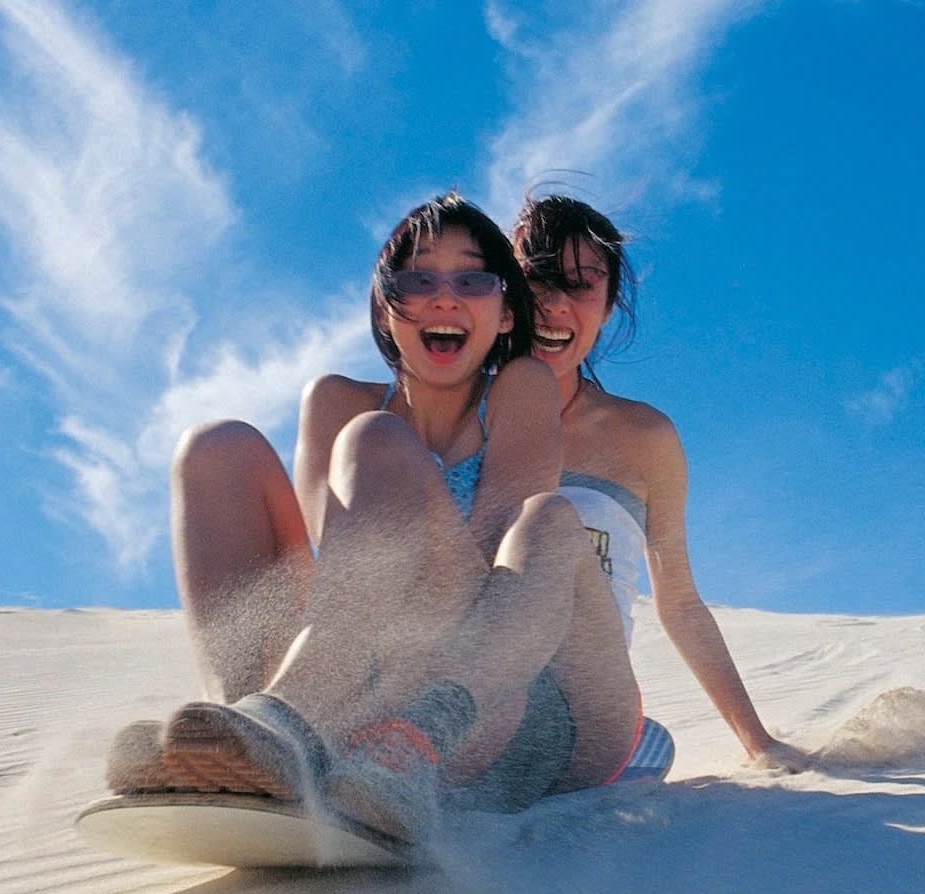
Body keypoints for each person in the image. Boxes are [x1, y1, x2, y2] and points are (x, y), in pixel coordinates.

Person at [107, 193, 646, 842]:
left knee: (544, 519)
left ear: (506, 313)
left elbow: (494, 587)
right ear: (386, 309)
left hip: (503, 695)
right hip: (367, 673)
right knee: (216, 447)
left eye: (472, 280)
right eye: (418, 280)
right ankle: (240, 739)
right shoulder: (336, 401)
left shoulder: (520, 387)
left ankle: (328, 728)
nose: (444, 299)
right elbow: (337, 588)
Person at [511, 194, 807, 771]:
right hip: (471, 698)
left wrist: (759, 742)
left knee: (642, 744)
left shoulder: (644, 438)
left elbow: (680, 603)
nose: (554, 305)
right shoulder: (462, 417)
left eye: (580, 286)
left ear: (608, 306)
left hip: (586, 713)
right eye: (536, 281)